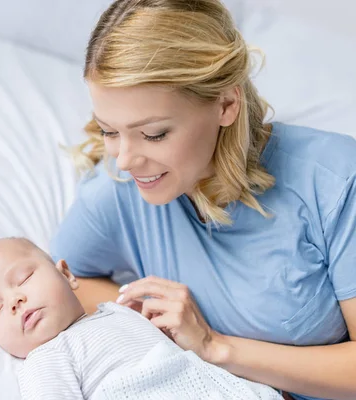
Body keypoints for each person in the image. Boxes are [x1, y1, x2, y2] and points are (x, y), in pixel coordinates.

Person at [50, 1, 356, 400]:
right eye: (109, 131)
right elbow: (67, 282)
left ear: (226, 105)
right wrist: (144, 319)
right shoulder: (116, 190)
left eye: (154, 134)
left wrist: (213, 345)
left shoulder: (333, 181)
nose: (125, 159)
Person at [0, 237, 283, 400]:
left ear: (67, 274)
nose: (14, 300)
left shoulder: (115, 310)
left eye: (24, 277)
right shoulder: (45, 359)